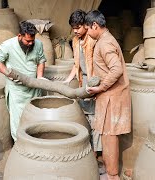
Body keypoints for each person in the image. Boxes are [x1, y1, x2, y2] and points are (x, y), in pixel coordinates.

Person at [84, 10, 131, 180]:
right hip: (109, 95)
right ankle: (110, 172)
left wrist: (101, 87)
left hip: (112, 96)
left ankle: (112, 176)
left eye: (88, 29)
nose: (88, 33)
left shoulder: (105, 43)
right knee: (107, 135)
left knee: (109, 136)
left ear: (94, 25)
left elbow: (116, 69)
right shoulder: (106, 39)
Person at [0, 21, 46, 141]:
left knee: (34, 119)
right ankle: (20, 146)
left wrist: (39, 78)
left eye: (32, 40)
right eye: (27, 41)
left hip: (34, 89)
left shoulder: (38, 44)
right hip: (17, 91)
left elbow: (41, 61)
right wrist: (7, 73)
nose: (31, 43)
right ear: (19, 36)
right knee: (18, 121)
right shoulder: (7, 45)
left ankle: (34, 143)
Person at [64, 9, 102, 158]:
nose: (75, 31)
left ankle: (95, 154)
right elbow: (76, 65)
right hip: (83, 82)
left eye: (78, 27)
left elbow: (100, 65)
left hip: (94, 82)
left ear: (86, 26)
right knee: (84, 116)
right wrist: (67, 80)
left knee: (95, 120)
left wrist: (97, 85)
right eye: (73, 28)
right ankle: (85, 150)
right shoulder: (75, 41)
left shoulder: (93, 40)